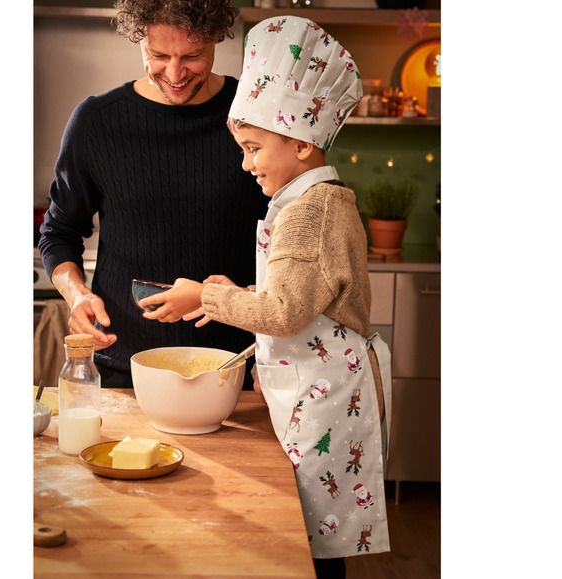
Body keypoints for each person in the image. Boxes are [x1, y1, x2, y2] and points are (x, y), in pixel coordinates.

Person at [139, 15, 392, 577]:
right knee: (309, 530)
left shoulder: (308, 211)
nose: (247, 163)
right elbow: (306, 296)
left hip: (327, 395)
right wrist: (244, 291)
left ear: (301, 143)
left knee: (309, 543)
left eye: (253, 148)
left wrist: (204, 295)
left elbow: (284, 314)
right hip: (322, 387)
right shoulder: (319, 199)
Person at [37, 0, 267, 388]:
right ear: (139, 39)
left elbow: (290, 240)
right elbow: (58, 234)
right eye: (157, 55)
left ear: (215, 39)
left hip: (239, 374)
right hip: (124, 373)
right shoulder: (96, 122)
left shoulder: (256, 115)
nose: (174, 73)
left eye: (192, 55)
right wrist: (76, 295)